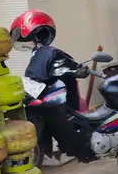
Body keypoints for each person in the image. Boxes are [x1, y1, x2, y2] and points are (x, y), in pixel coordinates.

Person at [9, 10, 96, 162]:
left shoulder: (48, 53)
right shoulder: (40, 54)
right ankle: (75, 148)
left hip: (56, 102)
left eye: (19, 33)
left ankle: (82, 148)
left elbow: (70, 66)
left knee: (68, 129)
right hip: (48, 101)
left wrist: (78, 69)